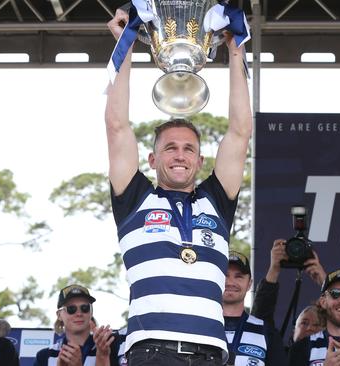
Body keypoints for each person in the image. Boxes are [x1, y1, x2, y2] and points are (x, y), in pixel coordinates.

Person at [104, 4, 252, 365]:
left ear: (201, 161)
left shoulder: (215, 201)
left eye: (189, 149)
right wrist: (125, 46)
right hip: (152, 350)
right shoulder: (134, 198)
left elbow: (240, 131)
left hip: (212, 354)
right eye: (170, 148)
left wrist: (236, 49)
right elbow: (117, 127)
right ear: (152, 160)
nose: (180, 156)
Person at [251, 239, 326, 343]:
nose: (310, 328)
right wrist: (274, 269)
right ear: (293, 331)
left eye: (317, 325)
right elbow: (260, 321)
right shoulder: (280, 356)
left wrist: (324, 282)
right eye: (304, 323)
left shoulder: (336, 354)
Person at [223, 250, 287, 365]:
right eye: (225, 275)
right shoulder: (198, 327)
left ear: (249, 284)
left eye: (239, 276)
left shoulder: (267, 332)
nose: (230, 282)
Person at [34, 284, 117, 366]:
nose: (79, 313)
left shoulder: (110, 348)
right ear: (59, 315)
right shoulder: (44, 356)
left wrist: (102, 356)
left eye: (85, 308)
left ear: (91, 312)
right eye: (71, 309)